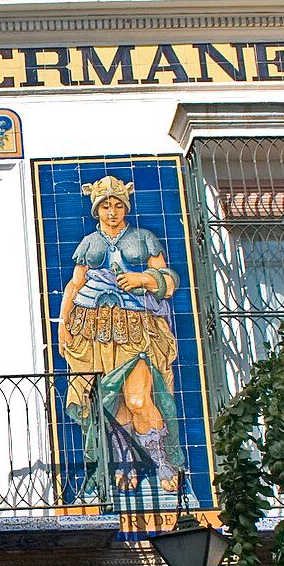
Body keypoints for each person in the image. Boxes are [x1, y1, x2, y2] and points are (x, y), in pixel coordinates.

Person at [58, 175, 184, 498]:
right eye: (105, 207)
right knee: (112, 405)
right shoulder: (88, 243)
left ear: (125, 208)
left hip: (136, 328)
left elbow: (169, 279)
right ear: (96, 210)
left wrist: (142, 278)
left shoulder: (143, 238)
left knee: (139, 398)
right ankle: (123, 462)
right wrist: (62, 323)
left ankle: (163, 463)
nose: (112, 212)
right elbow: (75, 284)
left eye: (117, 205)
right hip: (95, 330)